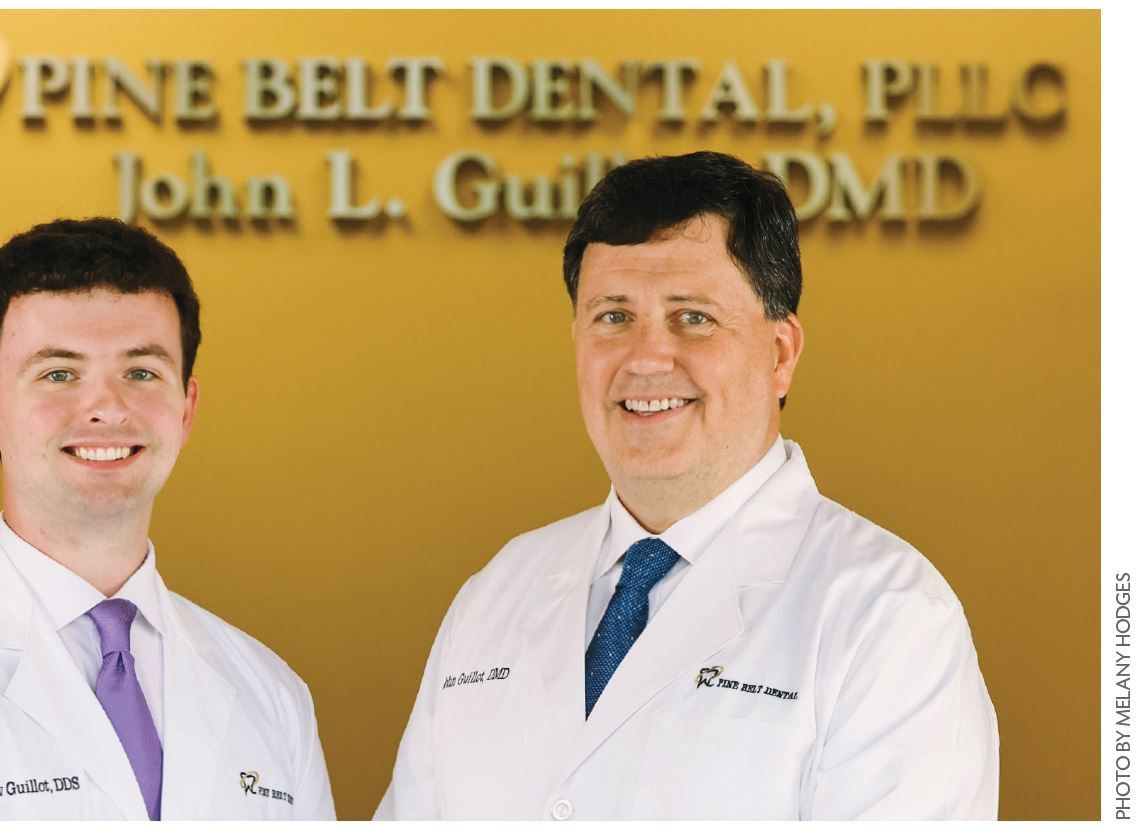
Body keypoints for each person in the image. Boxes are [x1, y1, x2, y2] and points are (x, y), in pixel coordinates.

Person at [375, 152, 998, 820]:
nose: (645, 357)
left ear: (781, 353)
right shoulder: (494, 596)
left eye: (692, 316)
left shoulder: (889, 618)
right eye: (613, 316)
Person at [0, 218, 335, 819]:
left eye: (141, 372)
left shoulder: (273, 694)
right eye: (59, 373)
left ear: (186, 409)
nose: (106, 407)